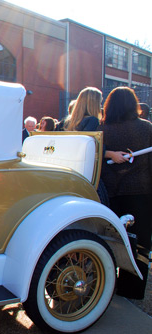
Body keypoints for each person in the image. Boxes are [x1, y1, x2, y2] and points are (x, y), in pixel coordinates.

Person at [97, 86, 152, 299]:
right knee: (139, 243)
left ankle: (107, 283)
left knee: (111, 240)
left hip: (109, 192)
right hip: (140, 191)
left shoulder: (102, 129)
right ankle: (132, 289)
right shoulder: (147, 128)